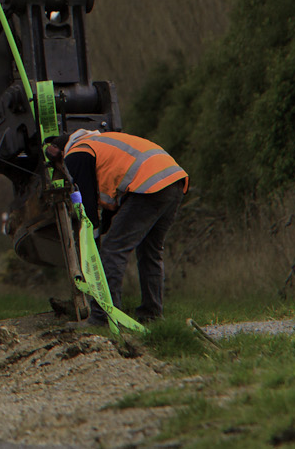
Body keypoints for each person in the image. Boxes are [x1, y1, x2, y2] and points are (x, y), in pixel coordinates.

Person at [45, 129, 188, 325]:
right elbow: (112, 207)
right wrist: (101, 229)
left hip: (148, 185)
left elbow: (87, 207)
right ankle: (152, 315)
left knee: (112, 250)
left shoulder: (76, 152)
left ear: (61, 154)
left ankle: (103, 318)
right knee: (150, 252)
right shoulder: (100, 142)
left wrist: (90, 246)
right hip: (173, 180)